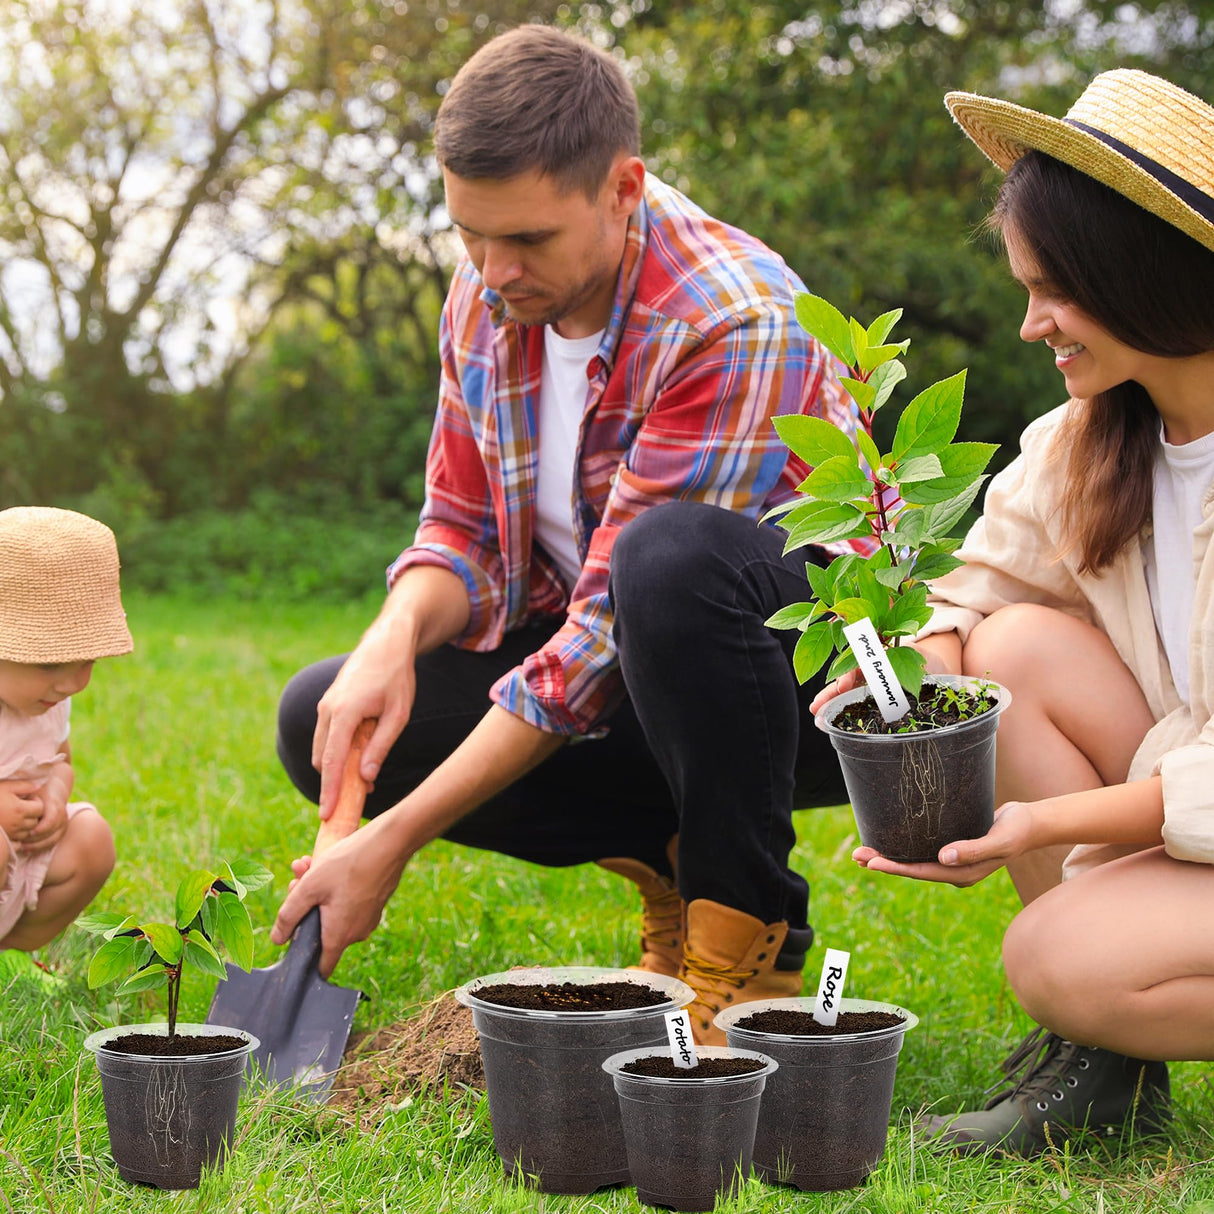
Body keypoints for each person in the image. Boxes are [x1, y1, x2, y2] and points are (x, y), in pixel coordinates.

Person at [272, 23, 867, 1042]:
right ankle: (671, 861)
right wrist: (390, 638)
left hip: (794, 689)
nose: (493, 270)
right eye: (469, 232)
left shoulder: (735, 318)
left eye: (528, 240)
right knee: (318, 711)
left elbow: (600, 633)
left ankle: (747, 942)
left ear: (621, 188)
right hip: (631, 680)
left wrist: (392, 841)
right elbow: (461, 528)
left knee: (667, 561)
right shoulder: (487, 293)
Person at [812, 68, 1214, 1154]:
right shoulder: (1087, 442)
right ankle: (1105, 1075)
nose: (1031, 323)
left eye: (1053, 290)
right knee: (1008, 649)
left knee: (1053, 955)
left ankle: (1095, 1002)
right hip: (1181, 799)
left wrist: (1037, 826)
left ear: (1142, 272)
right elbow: (972, 588)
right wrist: (921, 696)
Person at [0, 506, 129, 985]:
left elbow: (61, 762)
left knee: (92, 841)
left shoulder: (46, 702)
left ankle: (12, 947)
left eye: (87, 659)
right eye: (51, 663)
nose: (74, 682)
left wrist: (55, 796)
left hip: (21, 855)